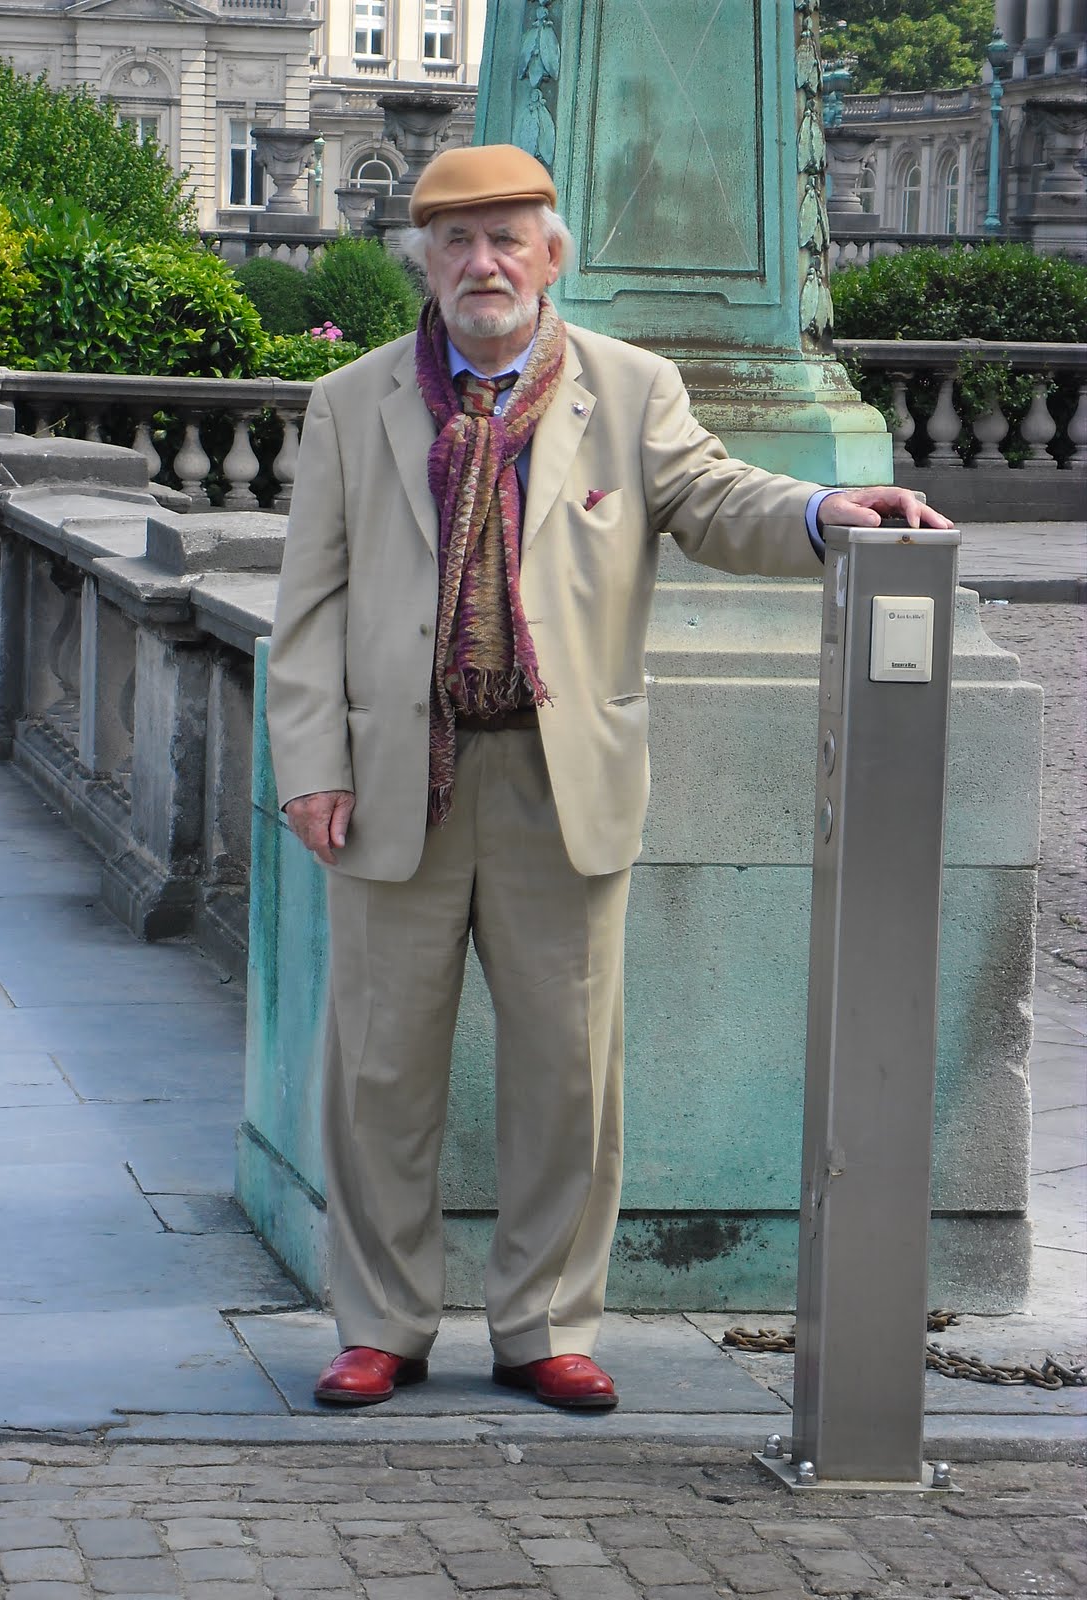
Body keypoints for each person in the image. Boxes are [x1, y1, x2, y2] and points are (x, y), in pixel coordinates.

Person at [266, 144, 953, 1411]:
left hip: (557, 774)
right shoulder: (350, 403)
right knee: (376, 1071)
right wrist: (308, 762)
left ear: (552, 256)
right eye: (457, 242)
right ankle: (381, 1322)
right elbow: (307, 607)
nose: (483, 264)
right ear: (423, 261)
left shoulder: (630, 391)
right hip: (393, 778)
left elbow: (711, 495)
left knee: (570, 1073)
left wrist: (826, 516)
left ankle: (542, 1324)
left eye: (507, 240)